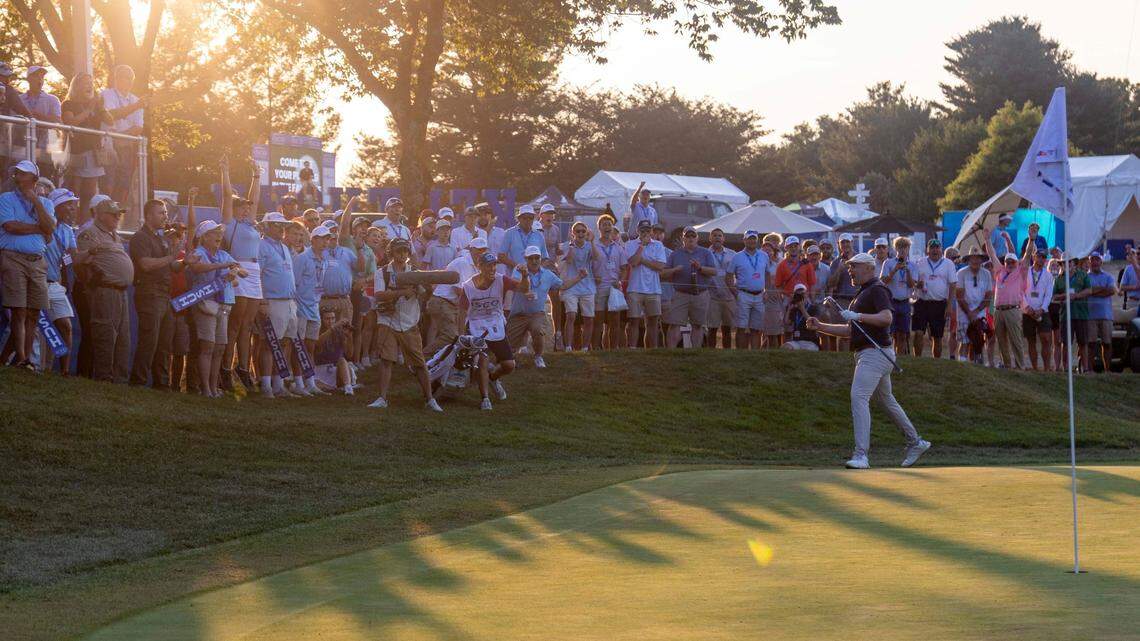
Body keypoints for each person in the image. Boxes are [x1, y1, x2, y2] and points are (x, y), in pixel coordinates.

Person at [806, 252, 931, 469]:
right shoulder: (863, 293)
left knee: (859, 397)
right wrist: (821, 326)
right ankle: (916, 442)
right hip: (873, 353)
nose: (850, 271)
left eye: (854, 266)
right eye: (849, 267)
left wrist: (858, 316)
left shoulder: (877, 289)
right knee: (886, 400)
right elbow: (850, 331)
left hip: (874, 354)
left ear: (869, 268)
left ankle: (861, 455)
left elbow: (887, 318)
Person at [367, 238, 442, 411]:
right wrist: (402, 292)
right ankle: (382, 398)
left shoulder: (415, 272)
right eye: (398, 251)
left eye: (405, 251)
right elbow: (378, 295)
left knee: (419, 363)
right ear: (391, 252)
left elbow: (424, 295)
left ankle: (430, 399)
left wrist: (426, 288)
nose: (402, 254)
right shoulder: (382, 272)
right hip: (387, 320)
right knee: (386, 360)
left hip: (409, 321)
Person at [0, 160, 57, 370]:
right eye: (17, 173)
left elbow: (50, 227)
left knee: (33, 311)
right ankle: (23, 358)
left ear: (34, 179)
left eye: (23, 174)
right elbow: (10, 226)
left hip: (38, 261)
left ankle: (22, 360)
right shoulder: (6, 198)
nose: (18, 177)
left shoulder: (46, 203)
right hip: (13, 258)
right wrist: (38, 228)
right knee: (19, 310)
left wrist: (36, 201)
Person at [459, 252, 528, 410]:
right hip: (476, 326)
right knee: (482, 361)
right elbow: (462, 312)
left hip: (496, 324)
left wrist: (525, 275)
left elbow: (523, 288)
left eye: (494, 265)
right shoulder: (468, 286)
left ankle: (493, 378)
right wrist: (461, 335)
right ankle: (485, 398)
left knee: (509, 365)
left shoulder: (501, 279)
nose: (492, 269)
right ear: (480, 267)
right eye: (488, 265)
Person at [128, 199, 185, 389]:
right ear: (148, 215)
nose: (165, 216)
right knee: (149, 340)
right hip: (149, 292)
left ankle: (162, 384)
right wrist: (172, 256)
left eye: (166, 212)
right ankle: (138, 381)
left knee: (164, 343)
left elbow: (172, 266)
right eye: (161, 212)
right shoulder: (140, 237)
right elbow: (145, 264)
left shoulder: (160, 238)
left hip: (164, 295)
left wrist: (185, 261)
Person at [75, 199, 133, 382]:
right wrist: (91, 284)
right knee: (105, 334)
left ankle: (119, 380)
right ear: (100, 215)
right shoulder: (89, 233)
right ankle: (103, 378)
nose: (118, 217)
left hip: (120, 291)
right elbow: (78, 262)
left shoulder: (113, 234)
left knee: (123, 338)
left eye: (119, 214)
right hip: (104, 290)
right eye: (114, 214)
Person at [218, 155, 262, 391]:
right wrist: (225, 171)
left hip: (254, 271)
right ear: (233, 208)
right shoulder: (229, 222)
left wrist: (257, 175)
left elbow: (255, 198)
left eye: (247, 206)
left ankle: (243, 368)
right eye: (242, 206)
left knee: (248, 324)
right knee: (235, 324)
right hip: (239, 269)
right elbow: (227, 195)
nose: (247, 208)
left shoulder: (249, 223)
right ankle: (225, 369)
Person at [187, 220, 242, 397]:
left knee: (219, 348)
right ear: (204, 237)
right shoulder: (198, 253)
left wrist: (235, 272)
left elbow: (242, 273)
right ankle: (205, 388)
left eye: (220, 232)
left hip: (223, 304)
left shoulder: (223, 254)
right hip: (205, 303)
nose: (219, 235)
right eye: (214, 232)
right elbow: (196, 268)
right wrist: (223, 267)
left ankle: (213, 387)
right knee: (207, 346)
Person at [255, 212, 299, 398]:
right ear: (267, 226)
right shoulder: (261, 246)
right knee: (268, 343)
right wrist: (262, 300)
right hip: (272, 301)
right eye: (277, 225)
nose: (282, 228)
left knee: (285, 342)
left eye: (283, 225)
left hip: (288, 301)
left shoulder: (284, 247)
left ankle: (278, 384)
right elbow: (257, 274)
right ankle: (266, 385)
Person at [61, 72, 114, 216]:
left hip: (94, 152)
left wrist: (101, 107)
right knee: (74, 190)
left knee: (89, 192)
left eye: (91, 83)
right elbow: (70, 122)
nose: (89, 86)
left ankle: (82, 223)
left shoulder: (96, 106)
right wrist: (89, 110)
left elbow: (110, 121)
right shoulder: (68, 104)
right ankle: (68, 220)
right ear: (77, 86)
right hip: (77, 152)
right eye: (85, 83)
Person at [508, 245, 566, 368]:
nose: (534, 261)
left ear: (541, 259)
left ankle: (538, 356)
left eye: (537, 258)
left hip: (536, 313)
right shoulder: (518, 270)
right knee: (509, 348)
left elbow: (563, 285)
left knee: (537, 329)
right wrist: (524, 283)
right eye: (531, 258)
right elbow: (516, 286)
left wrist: (580, 278)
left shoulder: (548, 274)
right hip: (519, 314)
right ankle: (512, 357)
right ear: (526, 259)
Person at [41, 188, 79, 374]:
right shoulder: (42, 224)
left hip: (55, 284)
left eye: (74, 205)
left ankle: (64, 371)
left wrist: (96, 252)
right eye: (69, 205)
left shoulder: (68, 230)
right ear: (57, 206)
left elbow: (74, 257)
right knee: (35, 327)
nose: (73, 209)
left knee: (65, 326)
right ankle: (13, 362)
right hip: (37, 281)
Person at [425, 237, 485, 353]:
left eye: (483, 250)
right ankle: (423, 358)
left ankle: (434, 359)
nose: (481, 252)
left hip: (449, 304)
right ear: (471, 249)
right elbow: (459, 291)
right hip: (442, 301)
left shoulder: (477, 265)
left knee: (453, 337)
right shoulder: (463, 263)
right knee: (450, 337)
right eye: (478, 249)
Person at [661, 226, 716, 348]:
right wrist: (675, 270)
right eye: (687, 236)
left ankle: (695, 352)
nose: (690, 238)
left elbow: (714, 271)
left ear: (697, 238)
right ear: (683, 238)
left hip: (700, 294)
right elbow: (663, 274)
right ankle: (670, 352)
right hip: (680, 294)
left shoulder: (706, 253)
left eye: (693, 236)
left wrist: (700, 268)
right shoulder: (675, 254)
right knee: (674, 324)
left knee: (698, 325)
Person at [292, 225, 331, 396]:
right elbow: (294, 284)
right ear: (313, 240)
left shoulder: (325, 259)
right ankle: (298, 383)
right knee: (298, 347)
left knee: (310, 346)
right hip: (300, 308)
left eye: (327, 239)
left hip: (314, 307)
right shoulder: (302, 258)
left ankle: (310, 382)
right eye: (322, 239)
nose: (325, 242)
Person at [100, 64, 146, 206]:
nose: (128, 80)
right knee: (108, 181)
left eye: (130, 78)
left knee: (124, 183)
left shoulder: (136, 99)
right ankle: (104, 211)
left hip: (126, 147)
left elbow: (138, 127)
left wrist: (120, 138)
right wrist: (136, 106)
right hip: (108, 145)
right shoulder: (106, 94)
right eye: (124, 77)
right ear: (116, 78)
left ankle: (117, 213)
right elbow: (111, 115)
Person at [985, 238, 1031, 369]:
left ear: (1017, 263)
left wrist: (1031, 239)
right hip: (998, 310)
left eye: (1012, 262)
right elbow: (992, 254)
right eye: (1007, 262)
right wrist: (987, 239)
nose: (1010, 264)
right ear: (1004, 263)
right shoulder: (1000, 271)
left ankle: (1020, 366)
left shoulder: (1021, 272)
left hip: (1013, 310)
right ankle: (1007, 365)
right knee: (1001, 341)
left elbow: (1027, 255)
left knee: (1016, 340)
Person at [624, 219, 667, 349]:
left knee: (652, 322)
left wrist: (642, 260)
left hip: (653, 289)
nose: (645, 233)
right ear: (637, 231)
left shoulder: (658, 245)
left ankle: (651, 350)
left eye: (648, 230)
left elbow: (660, 266)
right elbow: (633, 262)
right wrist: (642, 246)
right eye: (642, 230)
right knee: (634, 321)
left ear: (651, 231)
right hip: (635, 289)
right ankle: (632, 349)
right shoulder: (630, 244)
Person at [726, 230, 772, 350]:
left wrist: (767, 291)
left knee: (756, 328)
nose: (752, 241)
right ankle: (741, 353)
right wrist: (735, 293)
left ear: (757, 240)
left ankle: (754, 354)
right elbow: (729, 275)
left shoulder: (764, 255)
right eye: (749, 238)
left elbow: (767, 274)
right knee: (741, 327)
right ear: (744, 240)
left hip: (760, 295)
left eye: (754, 238)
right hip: (743, 294)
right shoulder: (737, 257)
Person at [911, 239, 957, 359]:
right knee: (918, 333)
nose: (935, 250)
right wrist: (917, 285)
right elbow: (914, 282)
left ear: (941, 249)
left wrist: (949, 306)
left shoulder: (948, 264)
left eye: (937, 248)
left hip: (939, 304)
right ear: (927, 250)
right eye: (932, 248)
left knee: (937, 336)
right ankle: (917, 360)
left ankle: (936, 362)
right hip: (921, 302)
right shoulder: (920, 262)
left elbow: (953, 285)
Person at [560, 221, 600, 351]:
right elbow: (569, 260)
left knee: (589, 318)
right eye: (578, 231)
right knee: (571, 315)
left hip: (587, 286)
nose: (581, 233)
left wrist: (592, 242)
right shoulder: (566, 246)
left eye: (583, 231)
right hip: (571, 286)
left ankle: (585, 348)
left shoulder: (589, 245)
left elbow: (596, 258)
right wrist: (572, 245)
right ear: (573, 233)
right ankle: (568, 347)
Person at [591, 213, 627, 350]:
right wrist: (594, 277)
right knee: (598, 320)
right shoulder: (594, 246)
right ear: (599, 228)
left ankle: (614, 349)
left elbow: (624, 268)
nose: (607, 227)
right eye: (604, 225)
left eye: (609, 225)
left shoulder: (618, 247)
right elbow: (588, 266)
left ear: (612, 228)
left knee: (615, 321)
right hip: (599, 287)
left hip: (614, 288)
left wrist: (620, 281)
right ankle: (595, 348)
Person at [20, 65, 62, 181]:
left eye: (41, 77)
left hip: (45, 149)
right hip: (23, 148)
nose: (39, 79)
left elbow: (58, 122)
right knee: (23, 180)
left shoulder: (52, 99)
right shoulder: (19, 99)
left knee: (44, 180)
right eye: (36, 76)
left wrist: (37, 116)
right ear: (28, 79)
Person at [1052, 256, 1093, 373]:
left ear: (1074, 263)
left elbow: (1089, 290)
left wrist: (1076, 296)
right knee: (1065, 343)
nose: (1067, 264)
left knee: (1083, 342)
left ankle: (1085, 368)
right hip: (1065, 315)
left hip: (1081, 314)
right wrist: (1064, 296)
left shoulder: (1083, 275)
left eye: (1069, 262)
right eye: (1064, 263)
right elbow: (1054, 296)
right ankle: (1066, 368)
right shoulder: (1058, 279)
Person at [955, 247, 994, 365]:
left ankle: (977, 366)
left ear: (982, 260)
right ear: (968, 260)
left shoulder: (987, 274)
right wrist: (969, 313)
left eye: (978, 258)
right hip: (963, 313)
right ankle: (962, 366)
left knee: (978, 341)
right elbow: (959, 296)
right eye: (973, 258)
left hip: (980, 314)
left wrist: (976, 312)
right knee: (964, 341)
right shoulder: (961, 273)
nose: (975, 260)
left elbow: (988, 297)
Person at [878, 236, 915, 356]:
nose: (902, 250)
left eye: (905, 247)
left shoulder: (912, 265)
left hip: (905, 302)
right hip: (891, 302)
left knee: (903, 334)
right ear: (895, 249)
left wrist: (908, 271)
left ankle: (900, 357)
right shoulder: (888, 263)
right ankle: (890, 356)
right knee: (890, 333)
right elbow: (883, 281)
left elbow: (912, 285)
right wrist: (894, 270)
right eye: (900, 247)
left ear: (908, 249)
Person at [1022, 246, 1054, 371]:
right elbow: (1020, 292)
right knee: (1031, 340)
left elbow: (1048, 295)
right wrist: (1027, 307)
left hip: (1042, 311)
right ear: (1033, 257)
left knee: (1046, 339)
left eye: (1044, 257)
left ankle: (1046, 369)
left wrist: (1042, 309)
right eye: (1039, 256)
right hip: (1027, 311)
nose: (1041, 259)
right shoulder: (1025, 272)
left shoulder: (1048, 275)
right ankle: (1035, 368)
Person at [1085, 251, 1117, 373]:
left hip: (1106, 315)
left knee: (1107, 343)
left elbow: (1111, 291)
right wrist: (1102, 290)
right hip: (1090, 316)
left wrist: (1093, 291)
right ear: (1089, 262)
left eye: (1097, 260)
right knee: (1091, 343)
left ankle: (1107, 370)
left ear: (1101, 262)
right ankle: (1090, 369)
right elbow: (1087, 291)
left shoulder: (1108, 276)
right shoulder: (1085, 277)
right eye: (1092, 260)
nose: (1094, 262)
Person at [706, 229, 736, 349]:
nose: (717, 238)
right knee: (712, 328)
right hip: (712, 296)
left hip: (729, 296)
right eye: (714, 235)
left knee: (727, 328)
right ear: (710, 238)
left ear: (724, 238)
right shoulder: (705, 253)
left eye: (720, 236)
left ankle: (727, 353)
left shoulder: (732, 254)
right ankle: (711, 354)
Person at [539, 204, 564, 350]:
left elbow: (557, 249)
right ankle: (531, 337)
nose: (550, 216)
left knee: (556, 300)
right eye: (547, 214)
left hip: (551, 269)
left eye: (552, 214)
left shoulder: (556, 229)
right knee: (536, 302)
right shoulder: (536, 228)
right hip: (538, 269)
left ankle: (558, 335)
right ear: (541, 216)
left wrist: (566, 250)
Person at [499, 205, 547, 274]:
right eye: (524, 218)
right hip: (514, 276)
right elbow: (501, 256)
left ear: (533, 219)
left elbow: (544, 257)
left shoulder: (539, 235)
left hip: (534, 277)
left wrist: (536, 270)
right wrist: (517, 267)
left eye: (530, 218)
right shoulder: (509, 233)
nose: (528, 220)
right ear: (519, 218)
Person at [783, 283, 820, 350]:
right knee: (785, 347)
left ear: (807, 294)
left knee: (806, 351)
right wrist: (789, 309)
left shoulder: (813, 307)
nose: (801, 297)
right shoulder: (794, 309)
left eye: (802, 294)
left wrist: (802, 308)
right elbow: (787, 322)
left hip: (811, 342)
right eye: (798, 295)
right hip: (797, 341)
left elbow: (813, 323)